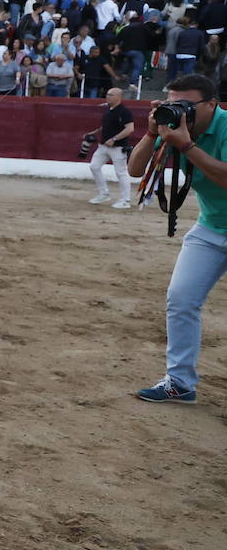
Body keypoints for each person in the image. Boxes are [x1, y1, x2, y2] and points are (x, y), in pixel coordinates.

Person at [127, 74, 227, 404]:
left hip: (213, 226)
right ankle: (180, 381)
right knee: (181, 299)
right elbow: (134, 170)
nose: (179, 111)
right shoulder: (174, 129)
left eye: (186, 104)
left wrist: (186, 145)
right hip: (212, 227)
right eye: (172, 104)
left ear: (212, 104)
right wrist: (153, 131)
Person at [89, 87, 136, 209]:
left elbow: (130, 129)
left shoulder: (124, 112)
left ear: (118, 97)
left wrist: (115, 139)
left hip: (118, 147)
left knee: (121, 172)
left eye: (111, 95)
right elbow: (104, 126)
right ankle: (103, 193)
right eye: (107, 94)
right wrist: (94, 133)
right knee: (94, 166)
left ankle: (125, 200)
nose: (108, 96)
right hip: (103, 146)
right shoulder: (108, 110)